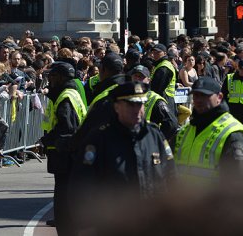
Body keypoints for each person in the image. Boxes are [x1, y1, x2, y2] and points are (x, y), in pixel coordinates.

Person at [73, 81, 175, 205]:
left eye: (141, 104)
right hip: (115, 220)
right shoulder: (99, 139)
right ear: (117, 107)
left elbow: (170, 175)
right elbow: (82, 185)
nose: (137, 110)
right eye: (131, 104)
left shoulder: (154, 136)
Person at [175, 77, 243, 185]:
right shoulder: (185, 130)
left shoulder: (234, 134)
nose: (199, 100)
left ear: (219, 97)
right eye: (196, 95)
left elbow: (240, 185)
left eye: (205, 95)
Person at [40, 62, 86, 235]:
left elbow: (66, 127)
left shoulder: (65, 97)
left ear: (60, 77)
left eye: (52, 76)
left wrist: (47, 139)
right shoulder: (71, 93)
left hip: (64, 153)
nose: (49, 80)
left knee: (64, 196)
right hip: (66, 152)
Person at [128, 65, 179, 141]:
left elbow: (172, 124)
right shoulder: (125, 96)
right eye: (135, 76)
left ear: (148, 80)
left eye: (141, 77)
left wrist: (156, 141)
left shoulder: (155, 99)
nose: (137, 79)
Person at [148, 43, 177, 115]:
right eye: (154, 52)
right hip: (165, 99)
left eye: (158, 52)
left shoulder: (164, 67)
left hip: (165, 99)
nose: (155, 54)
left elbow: (157, 88)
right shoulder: (159, 64)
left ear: (165, 53)